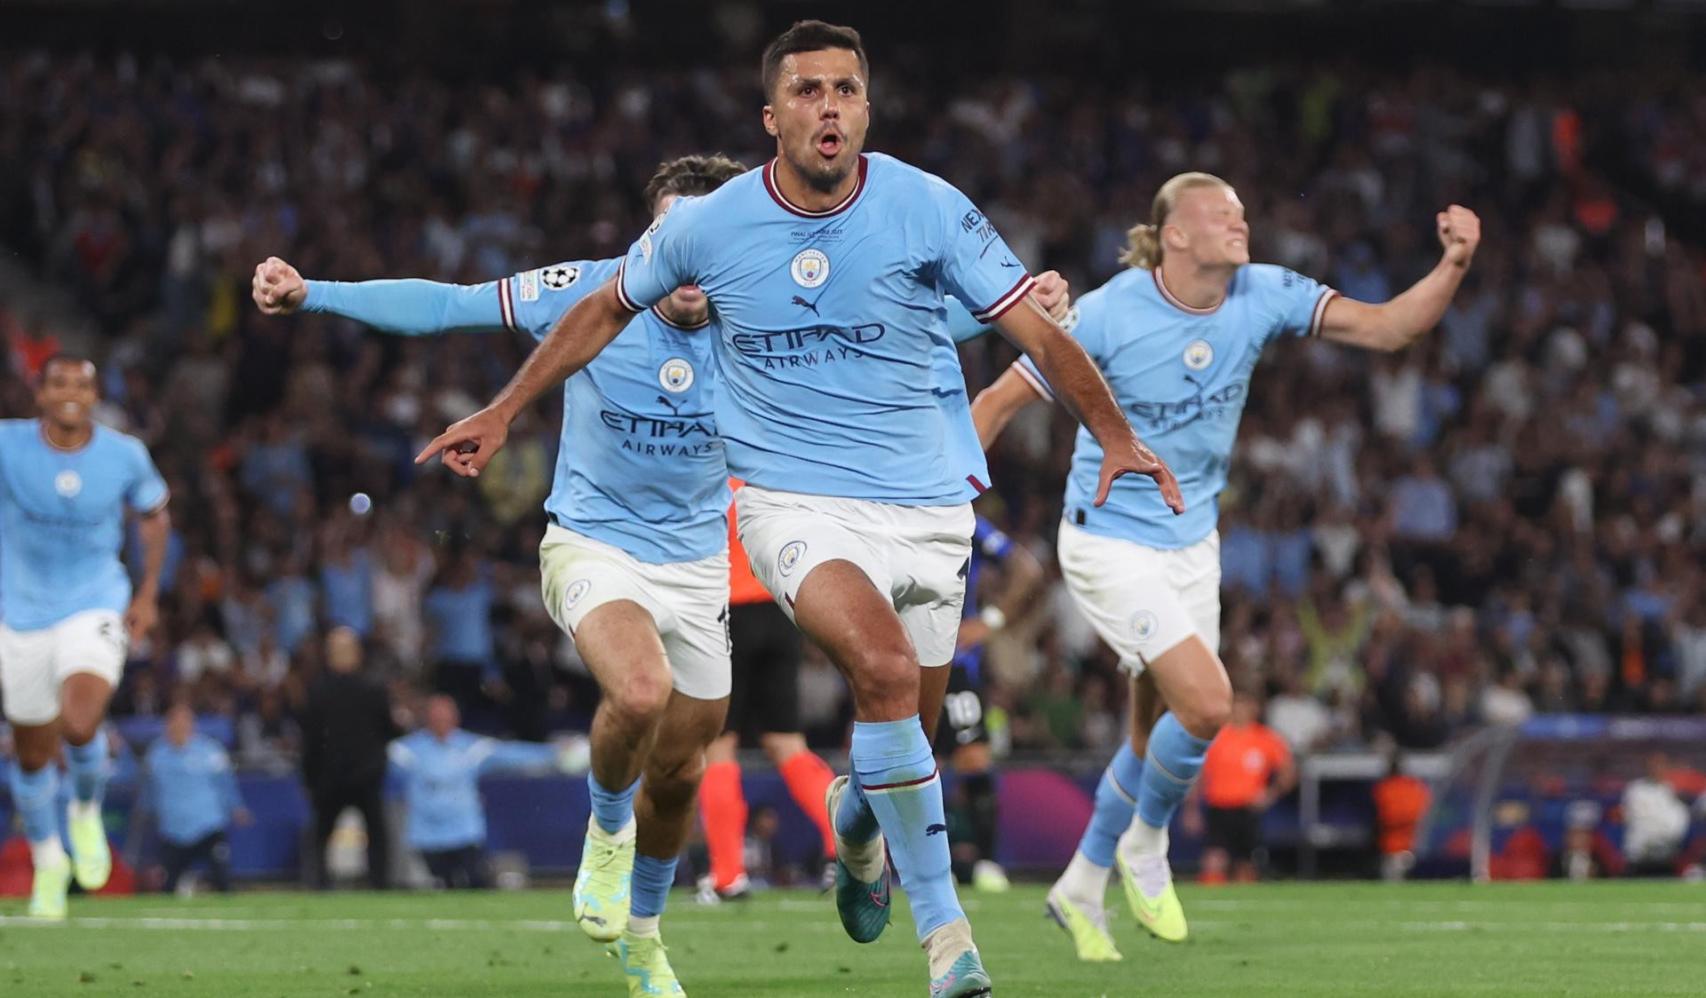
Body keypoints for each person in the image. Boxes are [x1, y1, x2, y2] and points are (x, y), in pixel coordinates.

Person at [415, 21, 1179, 996]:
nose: (829, 107)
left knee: (910, 723)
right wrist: (506, 406)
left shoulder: (928, 208)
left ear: (866, 107)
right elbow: (602, 308)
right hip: (792, 502)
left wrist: (1111, 432)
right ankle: (947, 942)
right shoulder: (711, 225)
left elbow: (1031, 324)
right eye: (808, 90)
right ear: (771, 115)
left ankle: (857, 820)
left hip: (926, 505)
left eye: (846, 90)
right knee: (884, 667)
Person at [258, 154, 747, 995]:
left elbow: (894, 322)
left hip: (700, 564)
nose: (688, 253)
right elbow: (448, 307)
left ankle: (644, 933)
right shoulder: (593, 290)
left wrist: (1002, 310)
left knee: (682, 771)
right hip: (593, 542)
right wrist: (317, 292)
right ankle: (603, 833)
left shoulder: (766, 306)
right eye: (672, 233)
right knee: (638, 692)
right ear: (650, 237)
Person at [972, 170, 1480, 958]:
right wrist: (937, 497)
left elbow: (1386, 330)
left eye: (1243, 209)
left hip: (1191, 541)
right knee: (1208, 707)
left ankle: (1078, 887)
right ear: (1174, 233)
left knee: (1149, 738)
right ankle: (1147, 843)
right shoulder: (1108, 312)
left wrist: (1451, 264)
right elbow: (1002, 400)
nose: (1239, 221)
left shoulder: (1263, 291)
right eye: (1220, 212)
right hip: (1107, 539)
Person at [0, 354, 170, 920]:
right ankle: (50, 862)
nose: (70, 392)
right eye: (59, 383)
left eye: (81, 383)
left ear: (95, 395)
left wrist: (146, 594)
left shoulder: (124, 455)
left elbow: (154, 516)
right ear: (40, 394)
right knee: (31, 755)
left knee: (79, 720)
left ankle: (85, 811)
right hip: (19, 611)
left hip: (95, 600)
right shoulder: (8, 444)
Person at [940, 516, 1044, 893]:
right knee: (913, 766)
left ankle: (985, 862)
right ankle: (930, 865)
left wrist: (990, 620)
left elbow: (1027, 569)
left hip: (954, 664)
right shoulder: (884, 505)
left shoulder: (965, 519)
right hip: (899, 661)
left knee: (973, 762)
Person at [387, 695, 564, 888]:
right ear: (427, 718)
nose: (441, 721)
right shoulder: (406, 751)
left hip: (463, 831)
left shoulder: (471, 748)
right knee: (438, 888)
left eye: (446, 716)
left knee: (473, 884)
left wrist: (556, 753)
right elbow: (378, 765)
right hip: (426, 834)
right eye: (437, 716)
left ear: (455, 718)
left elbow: (511, 754)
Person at [300, 626, 400, 890]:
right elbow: (389, 730)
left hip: (330, 775)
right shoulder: (373, 687)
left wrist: (309, 777)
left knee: (321, 836)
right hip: (366, 774)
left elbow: (310, 737)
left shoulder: (318, 689)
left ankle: (317, 885)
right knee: (376, 835)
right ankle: (380, 885)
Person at [143, 703, 250, 894]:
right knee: (167, 886)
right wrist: (147, 813)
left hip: (208, 825)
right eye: (174, 722)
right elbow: (148, 791)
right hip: (173, 830)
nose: (179, 726)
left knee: (222, 878)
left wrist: (236, 807)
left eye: (184, 722)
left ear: (192, 725)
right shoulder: (156, 755)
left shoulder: (210, 751)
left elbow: (226, 783)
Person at [1194, 688, 1294, 884]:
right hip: (1219, 806)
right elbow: (1199, 774)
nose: (1239, 710)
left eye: (1244, 705)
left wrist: (1270, 794)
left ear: (1254, 709)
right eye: (1235, 705)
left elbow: (1288, 771)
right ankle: (1210, 904)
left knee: (1246, 863)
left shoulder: (1266, 738)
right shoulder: (1216, 737)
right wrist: (1192, 808)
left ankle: (1243, 905)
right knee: (1214, 860)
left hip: (1247, 809)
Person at [1621, 752, 1690, 877]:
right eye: (1653, 765)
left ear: (1667, 767)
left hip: (1666, 856)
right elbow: (1637, 818)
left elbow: (1677, 824)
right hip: (1639, 855)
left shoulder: (1674, 790)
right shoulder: (1635, 789)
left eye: (1660, 765)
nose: (1656, 769)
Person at [1371, 751, 1431, 881]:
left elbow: (1383, 818)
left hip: (1392, 848)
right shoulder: (1417, 788)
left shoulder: (1384, 789)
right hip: (1417, 847)